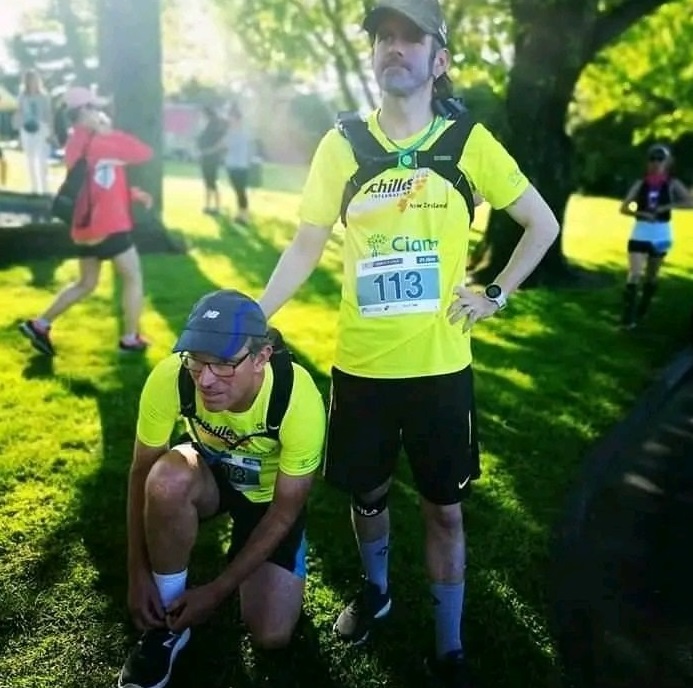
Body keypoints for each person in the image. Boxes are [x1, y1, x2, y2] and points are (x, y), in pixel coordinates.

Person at [257, 0, 560, 685]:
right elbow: (306, 244)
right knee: (365, 497)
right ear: (372, 56)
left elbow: (539, 223)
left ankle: (448, 645)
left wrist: (495, 293)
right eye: (382, 39)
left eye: (410, 38)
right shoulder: (341, 145)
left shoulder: (467, 142)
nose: (394, 48)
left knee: (443, 511)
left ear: (438, 59)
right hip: (360, 369)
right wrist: (255, 311)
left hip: (439, 371)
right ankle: (377, 592)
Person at [118, 289, 325, 688]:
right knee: (165, 480)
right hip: (210, 474)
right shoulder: (171, 376)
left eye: (225, 364)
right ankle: (167, 626)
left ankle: (247, 562)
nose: (206, 380)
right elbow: (141, 470)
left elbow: (286, 510)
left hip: (268, 499)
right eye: (197, 361)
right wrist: (137, 569)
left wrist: (216, 591)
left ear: (261, 358)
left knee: (271, 635)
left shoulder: (297, 399)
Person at [18, 86, 153, 356]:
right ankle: (129, 338)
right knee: (133, 278)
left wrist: (131, 194)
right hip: (109, 225)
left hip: (84, 226)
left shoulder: (74, 143)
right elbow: (142, 152)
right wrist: (108, 131)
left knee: (86, 284)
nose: (101, 112)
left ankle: (40, 324)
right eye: (96, 108)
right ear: (84, 113)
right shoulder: (102, 142)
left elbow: (95, 184)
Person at [618, 143, 693, 329]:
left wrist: (667, 207)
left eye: (660, 159)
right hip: (641, 231)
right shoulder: (640, 183)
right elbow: (624, 207)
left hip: (661, 232)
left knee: (651, 276)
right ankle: (628, 316)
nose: (656, 163)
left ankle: (644, 305)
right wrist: (641, 214)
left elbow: (689, 203)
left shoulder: (672, 184)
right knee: (634, 273)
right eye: (652, 159)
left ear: (666, 162)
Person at [12, 69, 53, 194]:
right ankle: (34, 187)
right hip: (27, 128)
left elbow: (48, 114)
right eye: (30, 80)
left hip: (41, 127)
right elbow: (18, 113)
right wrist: (19, 130)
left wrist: (50, 130)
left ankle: (45, 188)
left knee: (42, 159)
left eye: (35, 79)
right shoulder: (22, 97)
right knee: (30, 158)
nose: (33, 82)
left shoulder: (44, 96)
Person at [196, 105, 228, 215]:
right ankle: (208, 205)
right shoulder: (208, 126)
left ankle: (216, 206)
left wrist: (210, 151)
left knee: (212, 182)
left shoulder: (214, 126)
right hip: (205, 157)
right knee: (208, 182)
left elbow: (221, 142)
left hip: (211, 157)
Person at [224, 104, 253, 225]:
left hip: (240, 165)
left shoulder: (242, 132)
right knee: (237, 190)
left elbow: (246, 149)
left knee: (241, 190)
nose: (229, 119)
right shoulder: (231, 131)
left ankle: (244, 215)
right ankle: (240, 213)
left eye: (231, 117)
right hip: (232, 164)